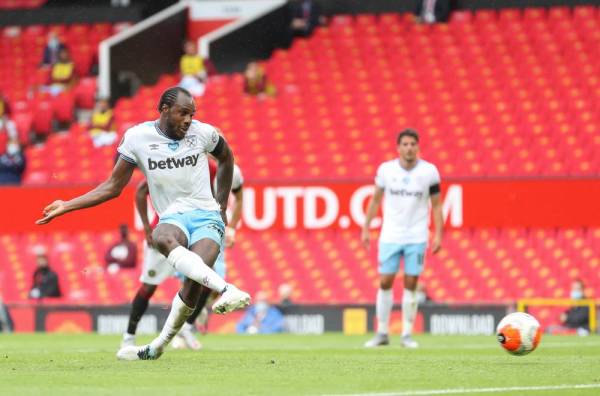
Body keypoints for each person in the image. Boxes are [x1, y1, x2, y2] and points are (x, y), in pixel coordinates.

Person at [36, 86, 250, 360]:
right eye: (183, 113)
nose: (188, 120)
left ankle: (157, 346)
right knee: (161, 235)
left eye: (192, 114)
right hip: (172, 217)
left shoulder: (203, 133)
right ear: (164, 110)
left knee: (194, 283)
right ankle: (226, 289)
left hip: (207, 215)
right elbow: (113, 186)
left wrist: (220, 206)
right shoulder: (138, 138)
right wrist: (67, 205)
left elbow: (226, 157)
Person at [122, 162, 244, 350]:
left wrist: (224, 218)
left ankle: (186, 328)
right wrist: (147, 228)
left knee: (202, 279)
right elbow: (140, 191)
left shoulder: (213, 168)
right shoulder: (172, 162)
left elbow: (228, 194)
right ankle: (129, 337)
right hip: (166, 231)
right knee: (148, 287)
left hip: (195, 229)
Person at [362, 129, 443, 348]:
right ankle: (382, 332)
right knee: (385, 281)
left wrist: (438, 234)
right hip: (390, 234)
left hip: (416, 235)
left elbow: (436, 204)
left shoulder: (429, 172)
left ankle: (406, 334)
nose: (409, 148)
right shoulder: (386, 170)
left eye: (412, 144)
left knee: (411, 283)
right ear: (398, 147)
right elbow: (376, 200)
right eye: (405, 144)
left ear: (418, 147)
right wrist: (366, 227)